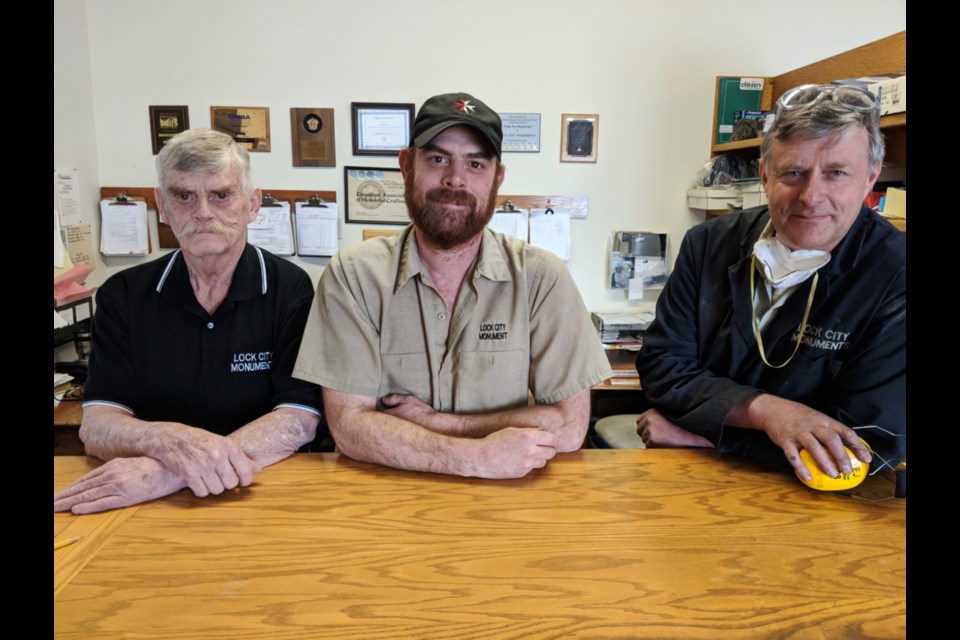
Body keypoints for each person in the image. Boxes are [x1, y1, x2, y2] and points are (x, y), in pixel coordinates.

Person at [293, 92, 611, 479]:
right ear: (406, 166)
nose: (455, 179)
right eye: (438, 159)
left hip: (509, 506)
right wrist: (477, 457)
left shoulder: (542, 278)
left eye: (475, 163)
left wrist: (440, 424)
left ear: (498, 178)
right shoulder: (354, 276)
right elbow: (350, 428)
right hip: (386, 505)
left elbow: (569, 426)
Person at [635, 83, 905, 483]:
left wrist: (706, 439)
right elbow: (662, 369)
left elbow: (864, 443)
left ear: (870, 179)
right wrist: (770, 412)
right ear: (765, 174)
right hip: (688, 484)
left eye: (837, 174)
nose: (811, 196)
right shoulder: (708, 243)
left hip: (818, 505)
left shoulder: (896, 272)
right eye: (793, 173)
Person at [54, 128, 323, 514]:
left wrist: (168, 474)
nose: (202, 212)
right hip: (148, 504)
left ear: (253, 203)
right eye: (184, 196)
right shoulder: (123, 294)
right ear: (162, 206)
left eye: (221, 195)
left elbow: (298, 418)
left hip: (256, 488)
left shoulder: (290, 287)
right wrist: (168, 441)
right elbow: (97, 424)